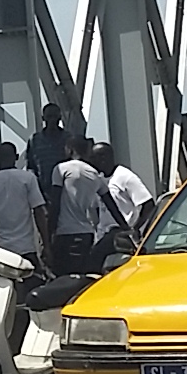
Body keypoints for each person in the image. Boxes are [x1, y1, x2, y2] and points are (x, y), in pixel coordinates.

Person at [0, 141, 47, 261]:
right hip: (26, 247)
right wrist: (46, 245)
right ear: (16, 157)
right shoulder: (28, 178)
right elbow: (39, 212)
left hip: (1, 247)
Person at [50, 136, 106, 275]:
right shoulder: (94, 174)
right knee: (82, 275)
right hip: (86, 233)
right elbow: (109, 201)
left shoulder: (61, 169)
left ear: (70, 149)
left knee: (63, 276)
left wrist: (50, 231)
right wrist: (126, 227)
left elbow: (55, 203)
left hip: (65, 233)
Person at [89, 142, 155, 243]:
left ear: (103, 158)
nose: (91, 162)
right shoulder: (99, 180)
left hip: (123, 236)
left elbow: (148, 204)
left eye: (93, 158)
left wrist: (135, 228)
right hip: (104, 236)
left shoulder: (125, 176)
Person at [26, 103, 70, 203]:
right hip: (42, 191)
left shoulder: (68, 139)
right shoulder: (34, 140)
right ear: (43, 118)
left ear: (60, 117)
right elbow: (31, 167)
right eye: (49, 116)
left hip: (66, 190)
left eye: (55, 116)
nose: (52, 120)